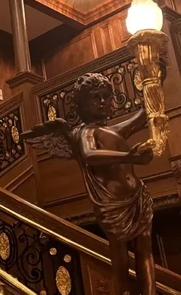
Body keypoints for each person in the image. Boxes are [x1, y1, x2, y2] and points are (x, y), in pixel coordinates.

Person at [23, 72, 161, 295]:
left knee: (145, 249)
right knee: (121, 259)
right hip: (113, 204)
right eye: (95, 97)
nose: (103, 101)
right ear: (81, 105)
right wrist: (130, 157)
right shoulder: (85, 132)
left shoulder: (112, 130)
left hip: (138, 197)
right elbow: (90, 155)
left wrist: (156, 78)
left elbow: (143, 115)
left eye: (106, 96)